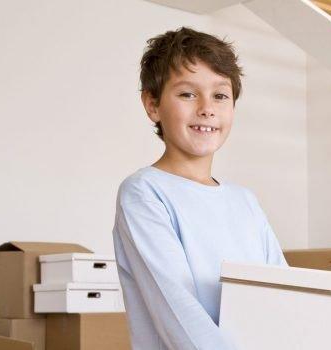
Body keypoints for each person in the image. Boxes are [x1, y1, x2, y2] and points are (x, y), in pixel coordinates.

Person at [111, 27, 288, 350]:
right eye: (187, 94)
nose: (207, 108)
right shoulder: (144, 193)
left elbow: (286, 294)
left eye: (220, 95)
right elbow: (178, 314)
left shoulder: (244, 201)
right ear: (152, 105)